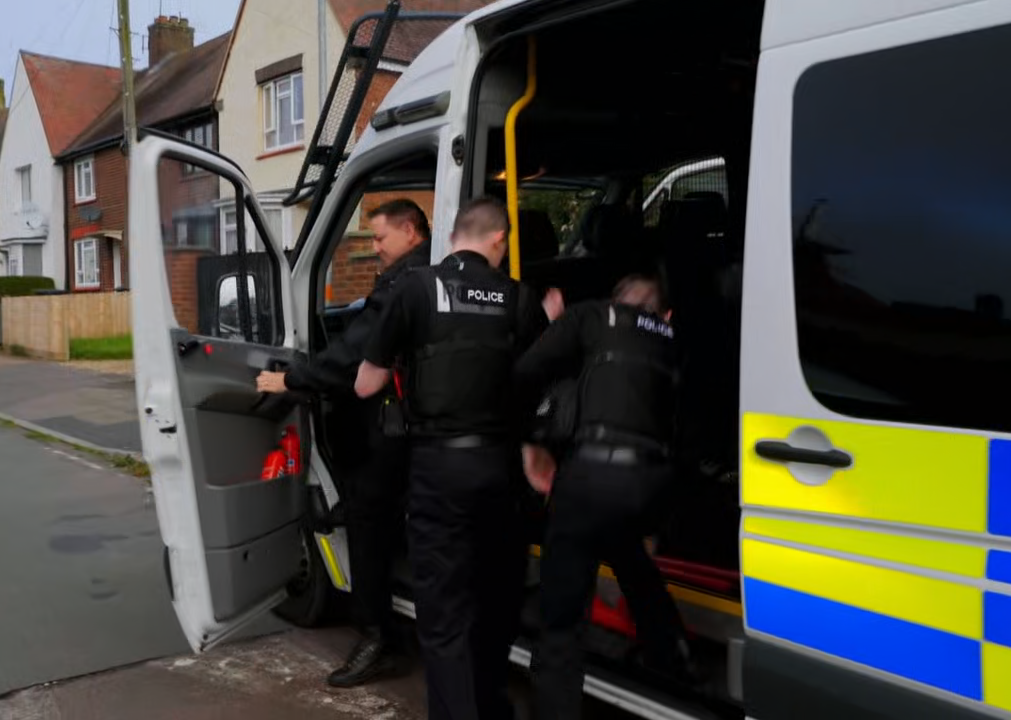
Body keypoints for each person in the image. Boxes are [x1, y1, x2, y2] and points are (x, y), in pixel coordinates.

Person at [356, 196, 557, 720]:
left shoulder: (416, 288)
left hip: (437, 472)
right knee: (494, 602)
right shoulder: (520, 299)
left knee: (444, 615)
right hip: (499, 473)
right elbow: (545, 387)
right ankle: (490, 707)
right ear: (500, 240)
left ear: (450, 239)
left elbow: (365, 385)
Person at [255, 198, 431, 687]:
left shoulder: (403, 282)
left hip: (391, 429)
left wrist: (291, 379)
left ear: (411, 231)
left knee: (368, 525)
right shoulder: (435, 273)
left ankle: (378, 639)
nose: (374, 247)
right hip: (431, 429)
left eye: (380, 237)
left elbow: (356, 355)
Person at [515, 274, 694, 720]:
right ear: (666, 314)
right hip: (652, 484)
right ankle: (673, 661)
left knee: (562, 618)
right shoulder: (677, 341)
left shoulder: (591, 316)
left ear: (613, 301)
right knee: (629, 554)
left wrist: (549, 323)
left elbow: (524, 374)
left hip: (591, 476)